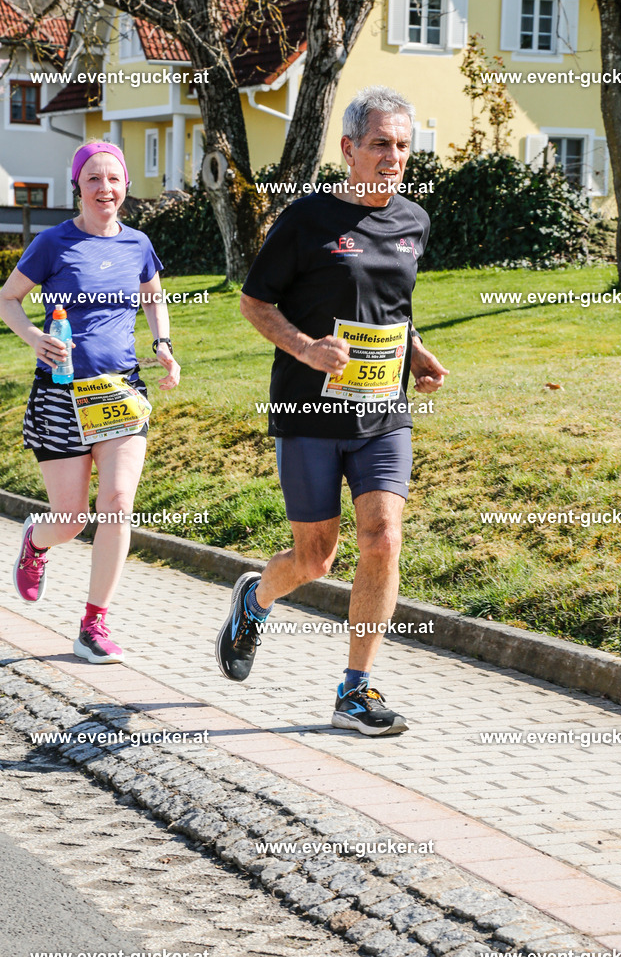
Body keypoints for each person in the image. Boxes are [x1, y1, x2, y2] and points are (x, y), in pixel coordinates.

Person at [215, 86, 447, 735]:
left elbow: (393, 308)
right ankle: (255, 599)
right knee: (315, 558)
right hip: (306, 410)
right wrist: (304, 347)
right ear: (347, 149)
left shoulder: (413, 221)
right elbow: (255, 303)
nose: (393, 156)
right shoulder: (306, 220)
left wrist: (417, 354)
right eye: (379, 144)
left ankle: (355, 691)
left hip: (381, 413)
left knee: (381, 538)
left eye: (402, 145)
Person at [0, 141, 181, 663]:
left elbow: (153, 296)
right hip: (59, 394)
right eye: (94, 179)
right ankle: (36, 541)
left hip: (119, 393)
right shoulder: (53, 243)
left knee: (118, 504)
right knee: (72, 518)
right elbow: (8, 300)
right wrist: (35, 338)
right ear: (77, 186)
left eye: (114, 179)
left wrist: (163, 346)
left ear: (126, 186)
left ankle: (93, 625)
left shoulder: (138, 243)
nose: (105, 188)